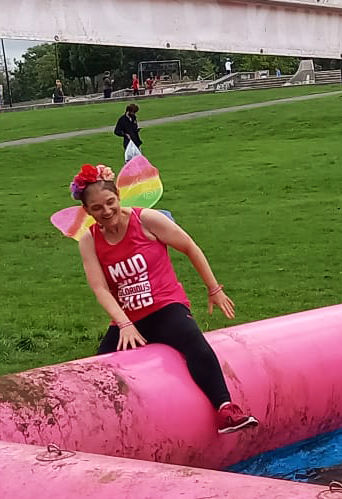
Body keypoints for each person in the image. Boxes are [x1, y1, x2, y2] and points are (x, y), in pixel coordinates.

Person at [71, 163, 258, 435]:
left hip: (164, 306)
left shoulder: (146, 220)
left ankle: (225, 408)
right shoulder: (89, 240)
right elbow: (99, 288)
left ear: (118, 197)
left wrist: (213, 288)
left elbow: (189, 246)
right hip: (129, 320)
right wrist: (123, 324)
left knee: (194, 343)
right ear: (87, 211)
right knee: (101, 369)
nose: (106, 211)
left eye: (110, 202)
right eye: (97, 208)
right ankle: (102, 430)